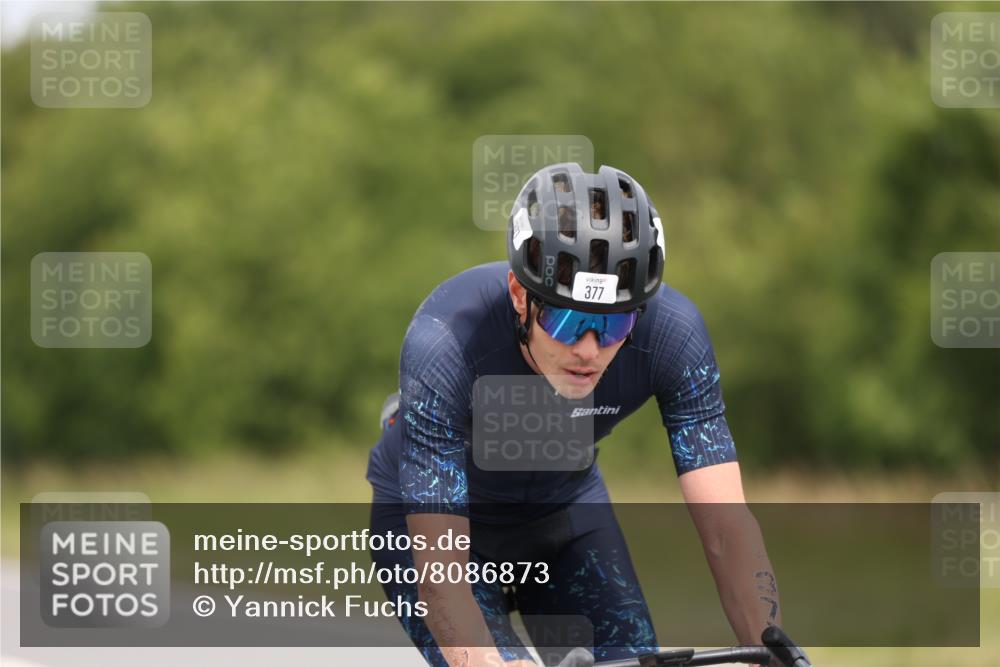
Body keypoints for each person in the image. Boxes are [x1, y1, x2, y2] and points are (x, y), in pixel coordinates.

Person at [366, 163, 780, 667]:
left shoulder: (675, 337)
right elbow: (441, 576)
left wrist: (770, 645)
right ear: (521, 296)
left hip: (564, 512)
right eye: (567, 320)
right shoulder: (444, 342)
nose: (589, 350)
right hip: (449, 531)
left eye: (613, 326)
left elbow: (726, 529)